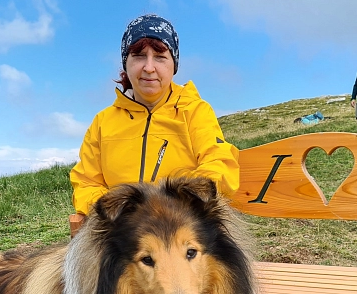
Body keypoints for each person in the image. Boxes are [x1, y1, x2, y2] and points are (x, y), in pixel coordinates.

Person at [70, 14, 238, 218]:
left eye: (160, 57)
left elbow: (219, 163)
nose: (149, 67)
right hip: (121, 233)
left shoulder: (195, 111)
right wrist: (114, 208)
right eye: (139, 55)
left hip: (183, 226)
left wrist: (181, 198)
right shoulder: (102, 122)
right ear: (126, 63)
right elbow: (86, 182)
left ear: (174, 65)